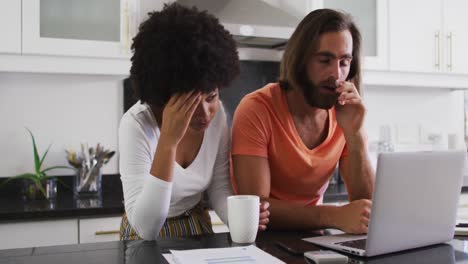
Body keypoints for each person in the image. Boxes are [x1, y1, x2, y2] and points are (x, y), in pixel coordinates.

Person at [119, 3, 269, 240]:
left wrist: (239, 217)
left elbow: (219, 186)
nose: (205, 112)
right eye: (190, 102)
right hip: (143, 238)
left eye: (211, 96)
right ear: (164, 95)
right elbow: (146, 227)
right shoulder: (136, 125)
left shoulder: (218, 114)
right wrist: (168, 140)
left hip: (197, 228)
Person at [231, 9, 374, 234]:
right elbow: (257, 208)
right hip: (264, 243)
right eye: (324, 60)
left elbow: (367, 206)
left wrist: (355, 135)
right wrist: (333, 215)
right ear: (300, 60)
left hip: (315, 239)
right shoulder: (257, 109)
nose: (336, 74)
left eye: (344, 62)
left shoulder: (346, 114)